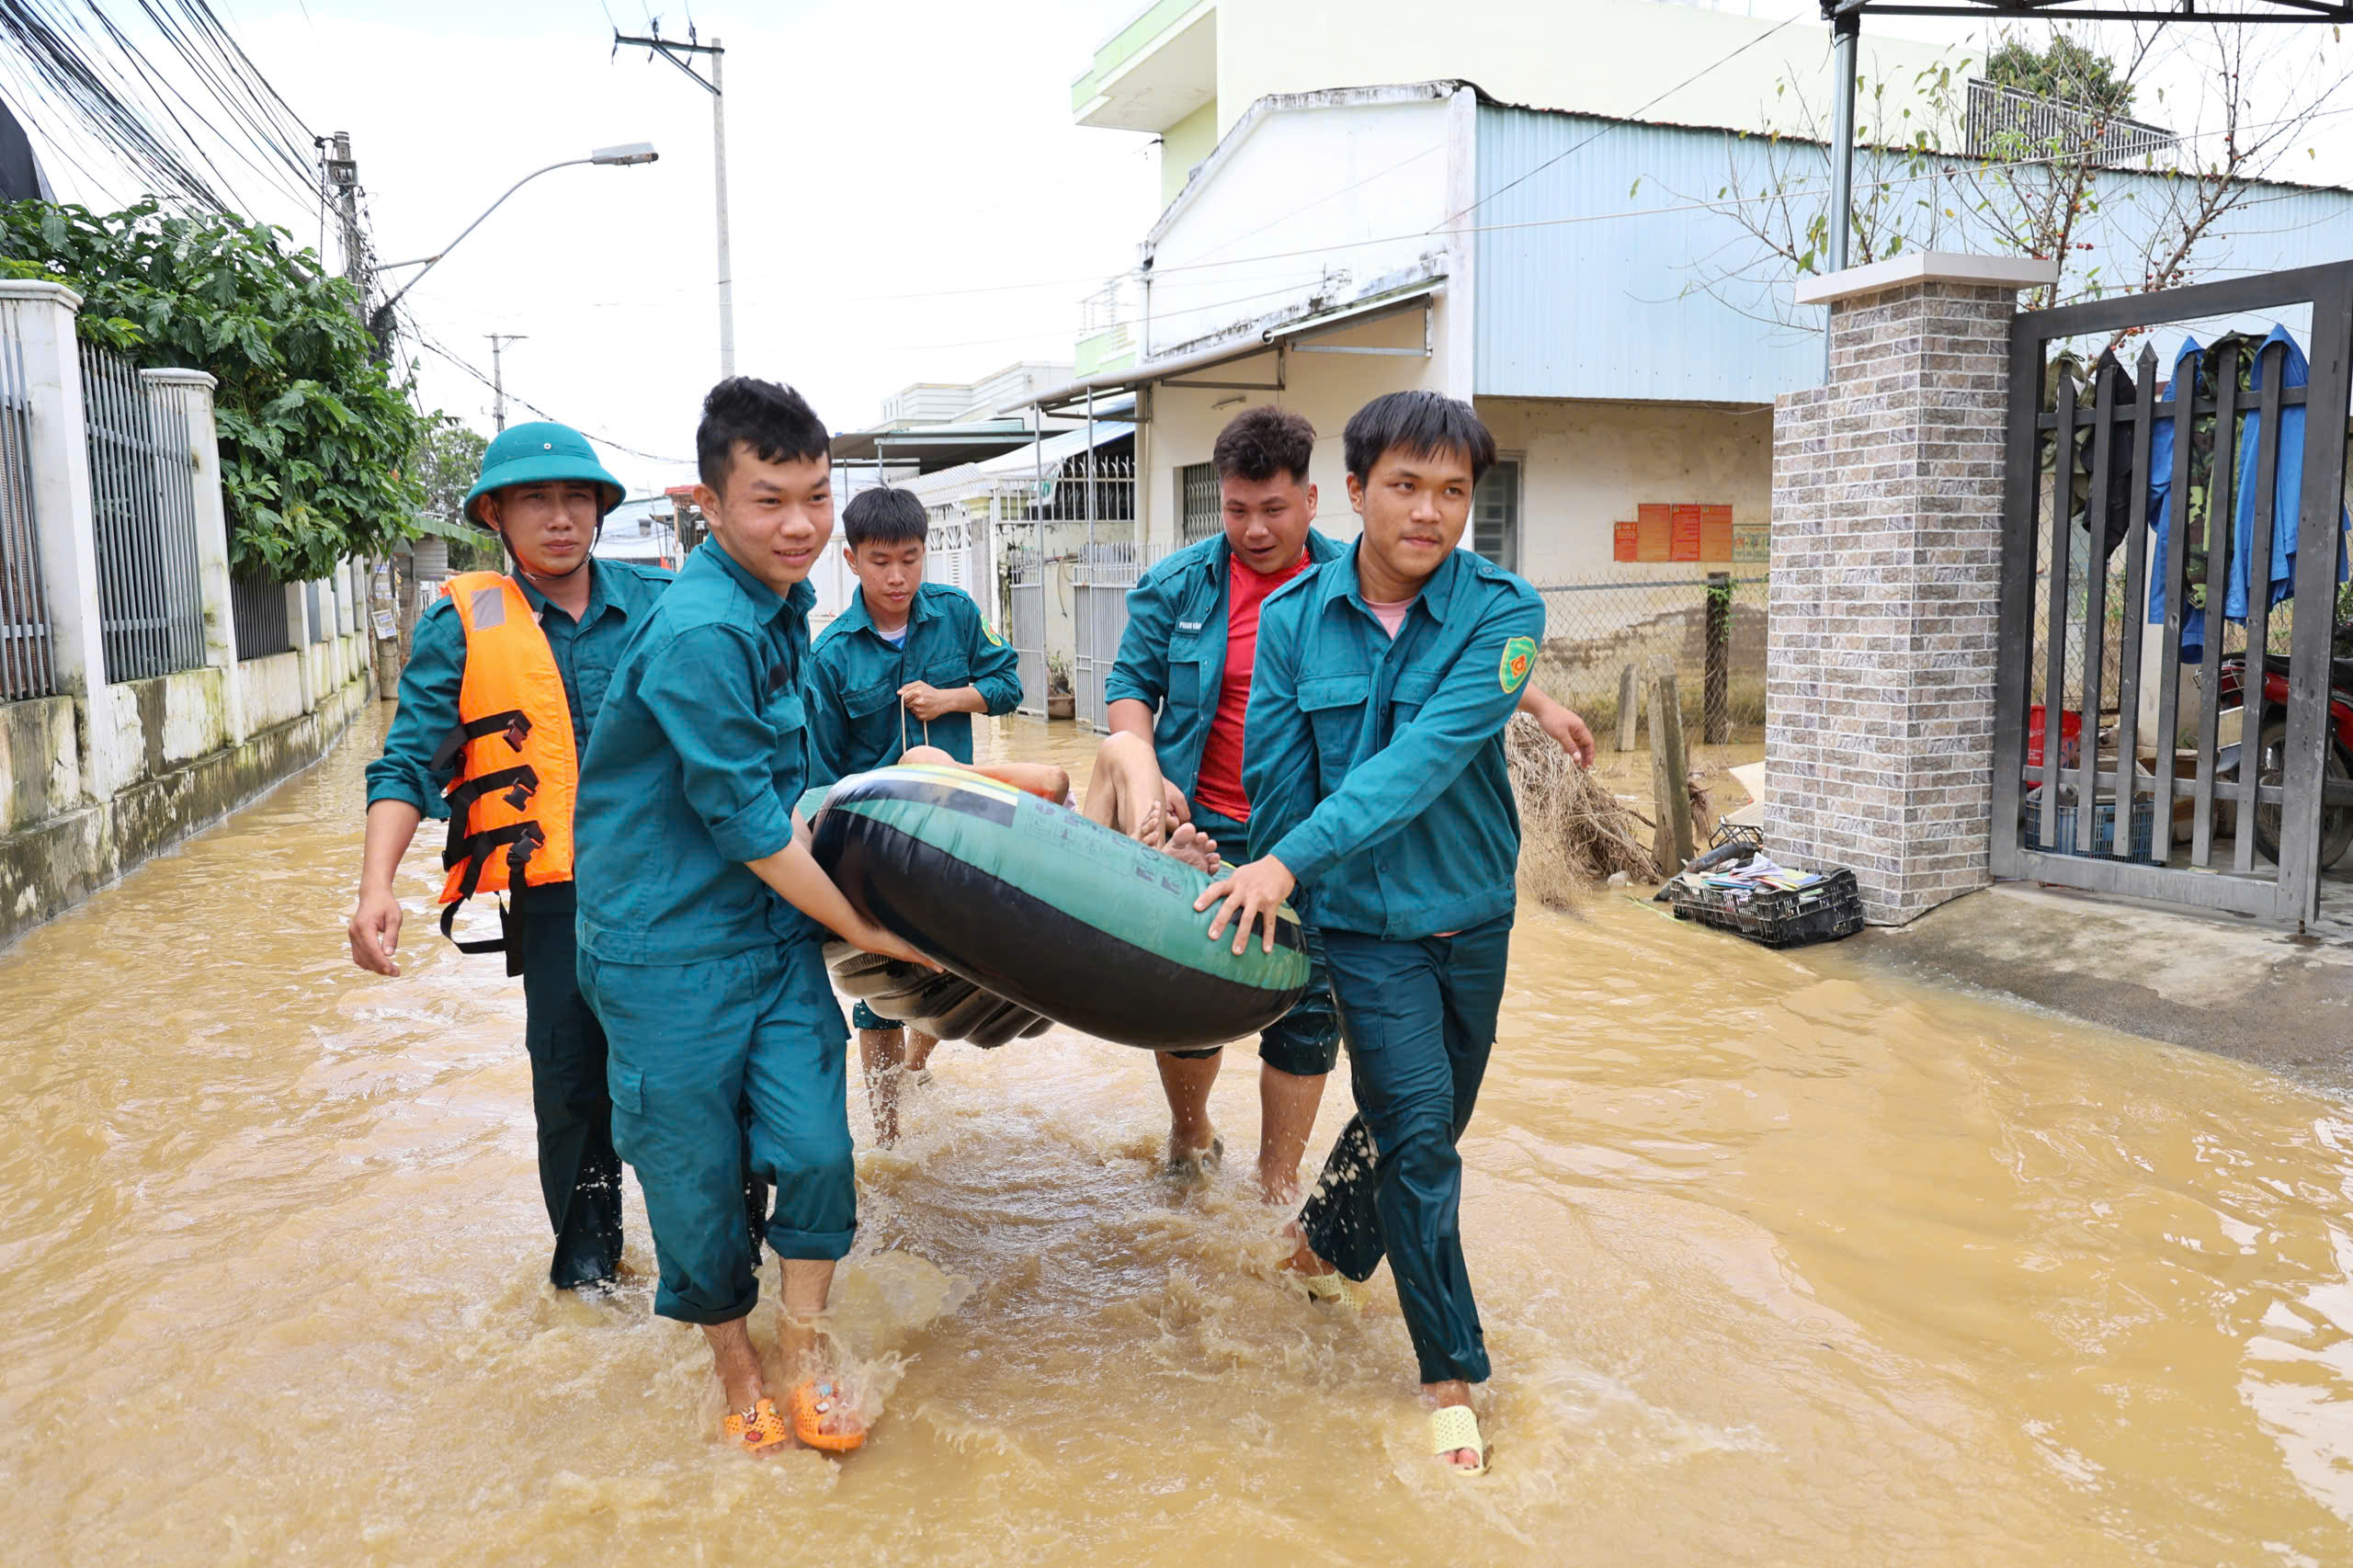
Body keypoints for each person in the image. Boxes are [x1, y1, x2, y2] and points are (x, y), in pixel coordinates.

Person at [1104, 405, 1593, 1198]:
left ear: (1318, 498)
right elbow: (1129, 685)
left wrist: (1537, 703)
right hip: (1204, 823)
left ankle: (1277, 1186)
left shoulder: (1360, 572)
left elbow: (1447, 656)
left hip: (1319, 831)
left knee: (1305, 1012)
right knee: (1193, 998)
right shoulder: (1179, 587)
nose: (1255, 529)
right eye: (1236, 510)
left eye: (1273, 510)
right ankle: (1190, 1133)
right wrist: (1149, 765)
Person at [572, 377, 925, 1459]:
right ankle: (735, 1358)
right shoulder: (699, 633)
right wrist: (872, 933)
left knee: (817, 1151)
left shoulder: (786, 608)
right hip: (663, 950)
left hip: (770, 938)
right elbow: (751, 824)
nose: (802, 525)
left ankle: (804, 1341)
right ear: (710, 506)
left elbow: (803, 790)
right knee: (691, 1181)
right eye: (769, 500)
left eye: (816, 495)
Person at [1198, 390, 1543, 1478]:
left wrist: (1291, 853)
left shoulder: (1506, 615)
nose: (1430, 511)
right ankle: (1450, 1374)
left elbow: (1429, 758)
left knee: (1426, 1122)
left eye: (1453, 491)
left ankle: (1320, 1243)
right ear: (1354, 493)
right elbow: (1277, 777)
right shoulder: (1295, 620)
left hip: (1472, 910)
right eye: (1406, 485)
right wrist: (1271, 872)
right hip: (1361, 924)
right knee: (1422, 1138)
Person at [347, 421, 670, 1294]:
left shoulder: (659, 604)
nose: (559, 518)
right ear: (497, 514)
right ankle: (591, 1287)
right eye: (536, 499)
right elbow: (408, 761)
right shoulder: (462, 625)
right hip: (558, 901)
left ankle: (714, 1272)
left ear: (602, 512)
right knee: (571, 1096)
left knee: (692, 1080)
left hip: (672, 889)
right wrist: (377, 887)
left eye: (577, 499)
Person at [804, 485, 1023, 1142]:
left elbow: (1009, 685)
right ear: (851, 560)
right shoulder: (832, 655)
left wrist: (952, 700)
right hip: (875, 847)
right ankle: (889, 1137)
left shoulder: (956, 614)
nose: (896, 576)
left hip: (956, 830)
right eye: (880, 561)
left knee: (951, 974)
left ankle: (917, 1063)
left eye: (910, 558)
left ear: (926, 554)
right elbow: (819, 778)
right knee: (879, 996)